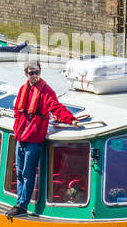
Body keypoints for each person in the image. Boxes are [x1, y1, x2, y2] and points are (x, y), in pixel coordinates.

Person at [6, 59, 79, 217]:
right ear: (26, 74)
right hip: (21, 137)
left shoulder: (46, 91)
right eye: (32, 73)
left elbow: (55, 107)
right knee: (19, 172)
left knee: (27, 173)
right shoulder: (22, 89)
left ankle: (22, 205)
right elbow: (18, 111)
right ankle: (20, 201)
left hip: (34, 139)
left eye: (37, 72)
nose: (35, 76)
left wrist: (70, 119)